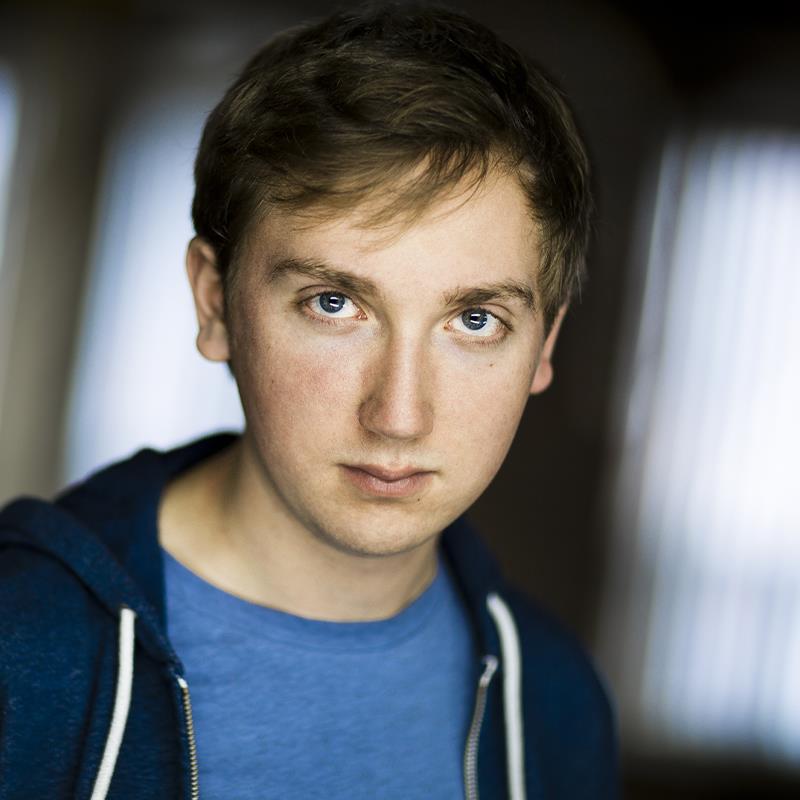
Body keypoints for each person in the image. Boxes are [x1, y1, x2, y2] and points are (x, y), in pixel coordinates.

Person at [0, 3, 618, 798]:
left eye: (474, 320)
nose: (399, 416)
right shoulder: (21, 646)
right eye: (334, 304)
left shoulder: (556, 702)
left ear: (544, 343)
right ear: (216, 302)